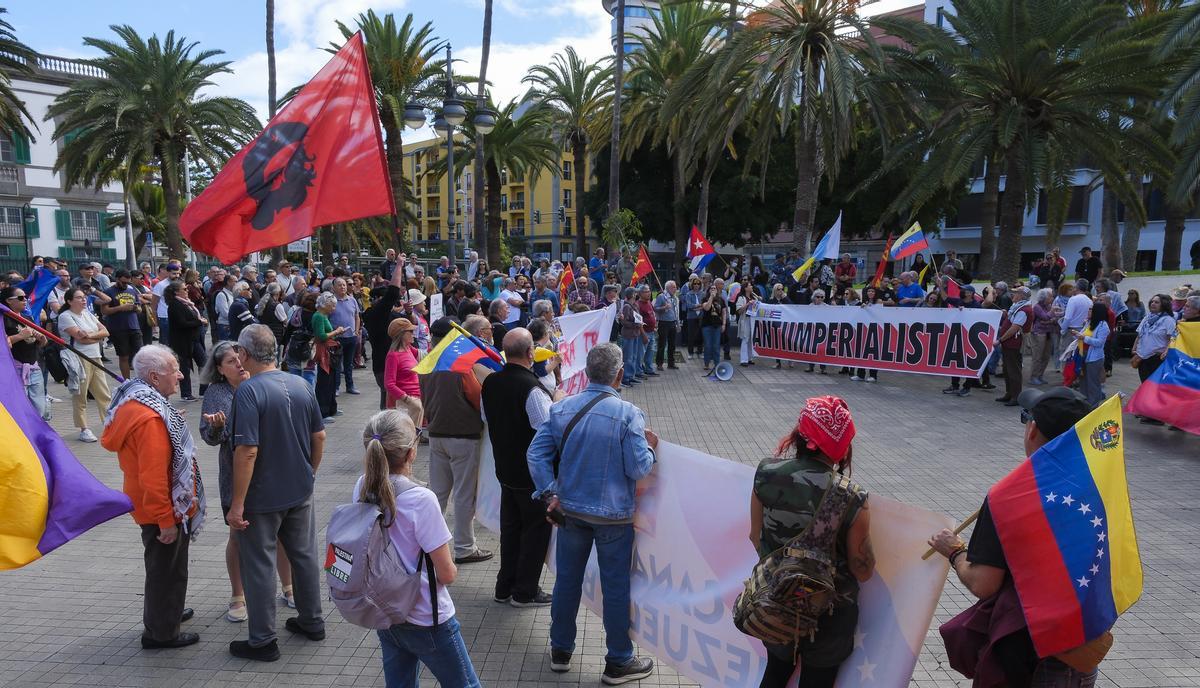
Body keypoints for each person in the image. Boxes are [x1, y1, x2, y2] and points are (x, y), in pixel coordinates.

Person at [928, 386, 1100, 687]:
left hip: (1028, 656)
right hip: (1081, 650)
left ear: (1032, 430)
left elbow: (984, 582)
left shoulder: (1011, 496)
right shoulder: (1097, 489)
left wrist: (954, 551)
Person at [527, 343, 658, 684]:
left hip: (570, 510)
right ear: (620, 373)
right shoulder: (629, 413)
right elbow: (638, 468)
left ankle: (561, 650)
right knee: (615, 587)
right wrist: (650, 448)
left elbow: (536, 455)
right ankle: (618, 661)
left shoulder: (562, 408)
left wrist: (549, 492)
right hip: (614, 517)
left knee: (566, 581)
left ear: (586, 373)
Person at [749, 395, 873, 688]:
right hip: (829, 615)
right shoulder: (852, 496)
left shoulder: (765, 473)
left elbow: (755, 537)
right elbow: (862, 569)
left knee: (776, 672)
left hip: (775, 602)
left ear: (800, 434)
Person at [353, 410, 481, 688]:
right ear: (412, 453)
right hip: (427, 618)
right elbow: (446, 574)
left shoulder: (362, 487)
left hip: (385, 611)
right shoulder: (421, 499)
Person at [226, 325, 327, 662]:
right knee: (304, 555)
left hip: (262, 496)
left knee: (258, 564)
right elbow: (320, 436)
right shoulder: (300, 383)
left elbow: (247, 451)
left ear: (244, 354)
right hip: (299, 488)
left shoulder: (248, 392)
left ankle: (262, 640)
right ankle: (312, 620)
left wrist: (237, 503)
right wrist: (309, 473)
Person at [100, 345, 202, 650]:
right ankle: (161, 632)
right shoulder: (150, 418)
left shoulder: (136, 403)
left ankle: (165, 613)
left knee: (163, 568)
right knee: (167, 571)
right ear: (155, 378)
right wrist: (166, 521)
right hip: (158, 507)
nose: (181, 376)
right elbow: (154, 476)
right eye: (175, 370)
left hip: (145, 503)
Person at [199, 341, 294, 622]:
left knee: (280, 533)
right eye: (229, 361)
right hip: (236, 473)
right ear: (219, 369)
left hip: (271, 470)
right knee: (237, 537)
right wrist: (217, 427)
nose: (238, 363)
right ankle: (238, 595)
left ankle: (289, 587)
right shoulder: (218, 393)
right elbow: (209, 437)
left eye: (239, 357)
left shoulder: (264, 382)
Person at [481, 328, 559, 608]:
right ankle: (524, 591)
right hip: (531, 476)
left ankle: (505, 586)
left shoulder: (491, 382)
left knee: (511, 530)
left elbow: (485, 417)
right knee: (535, 532)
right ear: (530, 353)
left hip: (505, 469)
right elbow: (548, 432)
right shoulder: (532, 389)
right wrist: (557, 402)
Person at [419, 317, 493, 565]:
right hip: (463, 435)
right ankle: (464, 547)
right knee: (463, 495)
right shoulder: (459, 364)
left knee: (437, 493)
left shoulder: (427, 361)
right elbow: (478, 397)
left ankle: (426, 545)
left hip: (437, 433)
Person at [58, 287, 112, 442]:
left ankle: (109, 424)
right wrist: (95, 337)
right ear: (69, 301)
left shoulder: (87, 314)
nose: (84, 300)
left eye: (84, 297)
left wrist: (91, 335)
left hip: (95, 357)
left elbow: (105, 332)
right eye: (79, 297)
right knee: (80, 395)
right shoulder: (65, 316)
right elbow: (81, 339)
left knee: (103, 393)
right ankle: (84, 429)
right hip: (79, 358)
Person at [2, 286, 50, 420]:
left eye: (26, 297)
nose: (25, 300)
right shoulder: (3, 319)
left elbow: (39, 343)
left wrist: (41, 339)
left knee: (39, 408)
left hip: (34, 367)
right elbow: (3, 344)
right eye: (21, 298)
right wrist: (19, 336)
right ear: (9, 301)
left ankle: (37, 435)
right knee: (20, 408)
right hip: (15, 369)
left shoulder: (27, 317)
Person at [1132, 294, 1177, 424]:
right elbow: (1140, 335)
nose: (1153, 304)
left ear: (1163, 304)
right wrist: (1135, 347)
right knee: (1146, 385)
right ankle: (1148, 412)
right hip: (1143, 357)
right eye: (1152, 301)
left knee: (1155, 388)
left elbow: (1172, 339)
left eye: (1157, 302)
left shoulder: (1168, 320)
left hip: (1157, 357)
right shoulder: (1147, 318)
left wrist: (1167, 351)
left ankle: (1157, 417)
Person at [165, 280, 208, 402]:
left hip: (194, 339)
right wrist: (199, 322)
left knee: (204, 363)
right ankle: (186, 394)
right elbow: (182, 323)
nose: (187, 291)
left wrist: (199, 319)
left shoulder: (187, 303)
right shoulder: (174, 305)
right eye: (184, 289)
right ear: (176, 292)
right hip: (182, 341)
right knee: (184, 367)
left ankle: (203, 391)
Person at [101, 269, 147, 379]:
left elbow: (139, 308)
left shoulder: (132, 291)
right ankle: (126, 381)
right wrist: (121, 308)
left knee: (141, 355)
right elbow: (104, 311)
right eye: (123, 282)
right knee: (124, 356)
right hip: (118, 328)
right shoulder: (108, 292)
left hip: (134, 326)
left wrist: (136, 308)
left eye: (128, 282)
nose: (125, 285)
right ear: (117, 279)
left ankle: (142, 380)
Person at [312, 292, 348, 422]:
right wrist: (337, 331)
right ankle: (322, 412)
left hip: (329, 351)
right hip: (324, 352)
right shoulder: (319, 316)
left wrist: (336, 332)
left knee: (332, 380)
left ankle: (332, 408)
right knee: (324, 382)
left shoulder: (323, 315)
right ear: (325, 304)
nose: (334, 308)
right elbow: (321, 336)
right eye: (332, 305)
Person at [996, 286, 1033, 406]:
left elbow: (1014, 328)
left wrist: (1000, 340)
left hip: (1014, 344)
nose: (1013, 295)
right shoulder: (1018, 307)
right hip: (1010, 343)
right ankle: (1010, 393)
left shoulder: (1023, 310)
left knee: (1013, 370)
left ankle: (1015, 396)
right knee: (1007, 369)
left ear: (1022, 296)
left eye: (1016, 293)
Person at [383, 317, 423, 429]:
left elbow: (426, 356)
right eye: (410, 331)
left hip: (414, 400)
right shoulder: (393, 355)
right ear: (401, 334)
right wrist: (408, 399)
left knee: (414, 436)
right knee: (407, 438)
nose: (413, 334)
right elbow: (389, 384)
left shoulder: (408, 348)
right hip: (404, 403)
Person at [329, 278, 362, 395]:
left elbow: (357, 316)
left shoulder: (352, 300)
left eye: (344, 285)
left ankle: (350, 386)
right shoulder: (331, 301)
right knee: (337, 364)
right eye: (339, 285)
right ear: (333, 287)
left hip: (351, 337)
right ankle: (336, 387)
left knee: (349, 364)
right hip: (336, 338)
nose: (343, 287)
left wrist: (356, 331)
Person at [1077, 302, 1111, 407]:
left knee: (1093, 382)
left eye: (1091, 309)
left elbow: (1099, 343)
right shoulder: (1089, 323)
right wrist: (1077, 334)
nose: (1088, 311)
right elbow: (1082, 334)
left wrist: (1084, 338)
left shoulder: (1103, 326)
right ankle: (1084, 402)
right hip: (1083, 354)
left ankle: (1093, 405)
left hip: (1094, 358)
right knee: (1083, 380)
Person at [1028, 288, 1059, 386]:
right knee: (1037, 356)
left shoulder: (1048, 306)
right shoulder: (1037, 307)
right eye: (1050, 296)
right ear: (1044, 297)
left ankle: (1040, 375)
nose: (1052, 298)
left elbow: (1053, 319)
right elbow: (1045, 317)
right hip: (1039, 334)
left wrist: (1048, 320)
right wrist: (1051, 315)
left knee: (1046, 356)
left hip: (1049, 333)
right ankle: (1034, 377)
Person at [618, 287, 646, 387]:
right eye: (634, 293)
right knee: (628, 357)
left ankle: (631, 376)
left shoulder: (634, 305)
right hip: (628, 335)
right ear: (632, 294)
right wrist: (635, 324)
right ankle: (625, 378)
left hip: (635, 334)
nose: (636, 295)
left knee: (634, 356)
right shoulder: (627, 307)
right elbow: (624, 322)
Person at [699, 280, 727, 372]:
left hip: (717, 325)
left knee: (716, 346)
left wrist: (724, 324)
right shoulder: (704, 299)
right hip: (707, 325)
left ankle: (717, 364)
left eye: (714, 288)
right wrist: (711, 297)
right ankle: (706, 363)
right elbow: (706, 308)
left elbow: (724, 312)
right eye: (711, 289)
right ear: (708, 290)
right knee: (708, 345)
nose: (713, 290)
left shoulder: (721, 299)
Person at [653, 280, 679, 370]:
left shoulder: (674, 298)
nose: (675, 289)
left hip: (672, 322)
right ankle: (659, 363)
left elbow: (676, 312)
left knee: (672, 344)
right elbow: (655, 308)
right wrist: (664, 307)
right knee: (662, 343)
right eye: (673, 287)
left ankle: (671, 363)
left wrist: (677, 323)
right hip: (664, 323)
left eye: (675, 287)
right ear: (668, 288)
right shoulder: (661, 297)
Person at [636, 285, 658, 378]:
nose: (648, 293)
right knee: (641, 353)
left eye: (649, 291)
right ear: (640, 293)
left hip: (652, 332)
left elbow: (652, 314)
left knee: (650, 352)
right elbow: (638, 322)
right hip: (644, 333)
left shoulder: (649, 302)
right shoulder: (638, 305)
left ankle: (649, 369)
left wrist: (655, 324)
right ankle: (638, 371)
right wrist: (643, 334)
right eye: (646, 292)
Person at [736, 277, 758, 366]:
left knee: (751, 340)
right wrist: (748, 304)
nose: (751, 286)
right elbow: (739, 311)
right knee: (745, 339)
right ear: (745, 288)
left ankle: (750, 358)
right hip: (745, 320)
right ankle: (743, 360)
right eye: (749, 285)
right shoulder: (741, 297)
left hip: (752, 320)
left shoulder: (754, 297)